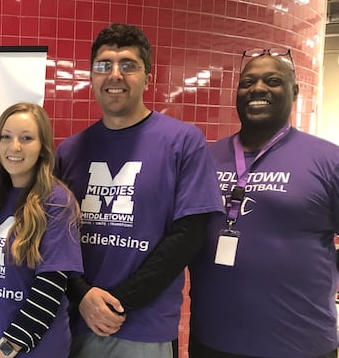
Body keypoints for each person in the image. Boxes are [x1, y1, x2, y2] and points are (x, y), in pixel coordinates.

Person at [54, 23, 224, 358]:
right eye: (104, 66)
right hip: (74, 323)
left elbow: (187, 237)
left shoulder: (183, 142)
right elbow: (55, 239)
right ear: (92, 78)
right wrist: (82, 295)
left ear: (148, 78)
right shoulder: (70, 151)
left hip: (143, 331)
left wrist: (119, 303)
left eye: (128, 65)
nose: (114, 75)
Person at [188, 48, 339, 358]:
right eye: (247, 82)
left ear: (295, 91)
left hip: (300, 344)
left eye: (273, 81)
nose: (257, 89)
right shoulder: (206, 158)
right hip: (213, 341)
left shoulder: (327, 159)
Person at [0, 102, 83, 358]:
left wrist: (3, 351)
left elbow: (50, 289)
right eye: (6, 137)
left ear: (43, 149)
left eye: (26, 138)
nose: (14, 147)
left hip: (34, 351)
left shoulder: (57, 202)